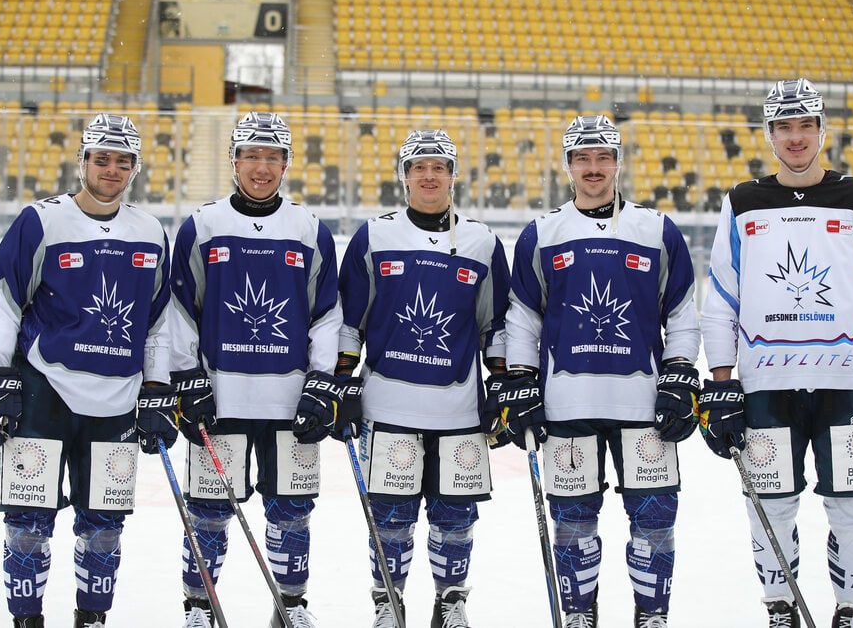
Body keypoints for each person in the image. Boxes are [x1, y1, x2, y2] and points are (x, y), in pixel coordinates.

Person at [699, 78, 853, 628]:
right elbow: (721, 296)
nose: (795, 138)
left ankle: (851, 611)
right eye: (784, 127)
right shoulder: (743, 202)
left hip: (848, 383)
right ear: (769, 134)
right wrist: (721, 382)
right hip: (766, 384)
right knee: (769, 504)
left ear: (822, 130)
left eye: (805, 126)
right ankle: (780, 608)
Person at [493, 115, 700, 628]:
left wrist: (679, 371)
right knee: (573, 523)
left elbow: (681, 310)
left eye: (603, 156)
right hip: (568, 405)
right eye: (582, 157)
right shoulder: (544, 233)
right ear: (567, 165)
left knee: (654, 521)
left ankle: (651, 616)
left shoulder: (655, 229)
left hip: (643, 406)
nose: (593, 167)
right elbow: (523, 314)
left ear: (618, 163)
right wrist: (520, 380)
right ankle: (580, 614)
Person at [0, 113, 176, 628]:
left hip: (118, 400)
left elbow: (157, 321)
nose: (112, 169)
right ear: (83, 160)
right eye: (102, 158)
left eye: (123, 161)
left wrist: (156, 387)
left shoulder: (149, 231)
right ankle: (27, 619)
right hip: (45, 391)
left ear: (135, 169)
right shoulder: (41, 220)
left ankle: (92, 619)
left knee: (104, 526)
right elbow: (5, 301)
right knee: (27, 524)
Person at [168, 112, 342, 628]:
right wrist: (187, 377)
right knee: (207, 512)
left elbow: (326, 313)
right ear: (234, 161)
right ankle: (199, 607)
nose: (262, 167)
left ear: (286, 163)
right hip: (221, 397)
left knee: (292, 509)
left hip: (289, 400)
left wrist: (321, 381)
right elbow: (180, 310)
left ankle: (290, 606)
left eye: (272, 156)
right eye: (251, 156)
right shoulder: (202, 226)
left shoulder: (309, 229)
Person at [336, 129, 511, 628]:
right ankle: (388, 604)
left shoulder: (480, 240)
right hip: (387, 407)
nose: (429, 176)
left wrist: (500, 384)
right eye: (419, 167)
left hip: (459, 411)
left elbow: (494, 323)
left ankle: (450, 600)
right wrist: (342, 381)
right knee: (389, 519)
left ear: (454, 176)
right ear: (404, 176)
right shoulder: (375, 235)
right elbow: (352, 318)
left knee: (455, 518)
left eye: (440, 167)